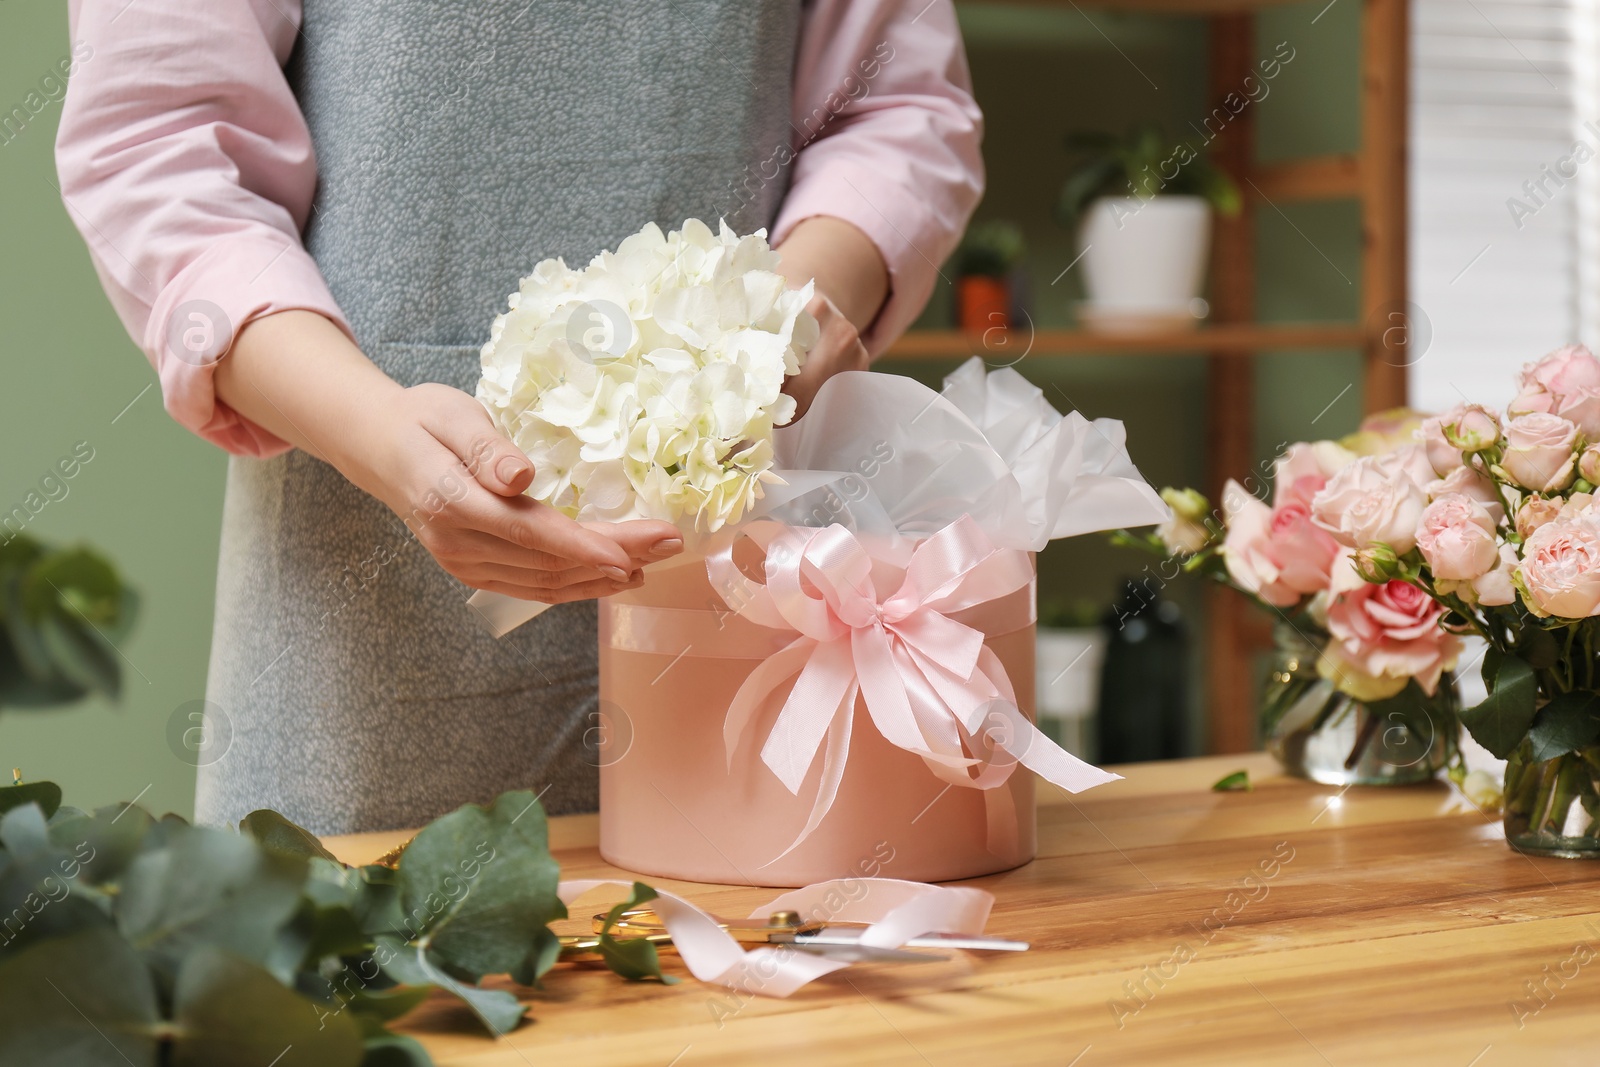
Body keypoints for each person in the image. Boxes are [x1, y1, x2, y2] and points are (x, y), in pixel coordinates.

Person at [56, 0, 984, 834]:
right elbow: (157, 141)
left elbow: (899, 110)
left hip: (749, 589)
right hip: (366, 620)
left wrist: (777, 322)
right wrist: (375, 430)